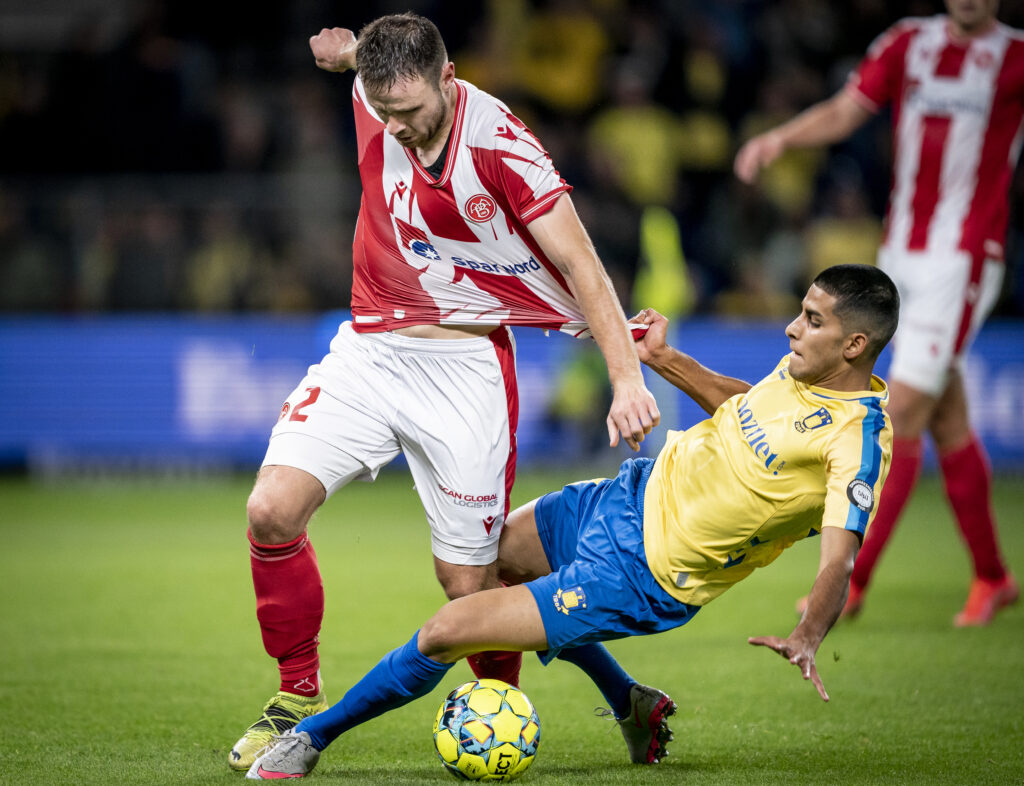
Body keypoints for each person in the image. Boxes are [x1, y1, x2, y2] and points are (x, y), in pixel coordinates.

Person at [245, 264, 900, 779]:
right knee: (481, 563)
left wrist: (811, 633)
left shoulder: (860, 440)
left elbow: (841, 554)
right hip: (624, 497)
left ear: (855, 344)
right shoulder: (802, 374)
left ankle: (311, 737)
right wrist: (663, 360)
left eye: (811, 320)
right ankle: (630, 700)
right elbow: (745, 407)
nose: (792, 328)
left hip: (643, 572)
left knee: (447, 631)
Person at [228, 14, 661, 771]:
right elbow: (373, 60)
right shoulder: (382, 87)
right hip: (368, 350)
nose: (394, 126)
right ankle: (296, 694)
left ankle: (620, 699)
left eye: (410, 111)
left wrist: (625, 380)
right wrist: (344, 58)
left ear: (450, 80)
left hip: (464, 372)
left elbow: (584, 264)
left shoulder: (503, 149)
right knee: (269, 510)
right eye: (381, 110)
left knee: (471, 588)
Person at [734, 0, 1019, 626]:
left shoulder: (1015, 56)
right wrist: (780, 137)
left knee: (898, 412)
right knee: (944, 415)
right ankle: (994, 577)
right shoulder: (906, 43)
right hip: (899, 251)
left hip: (963, 256)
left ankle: (849, 585)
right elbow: (846, 109)